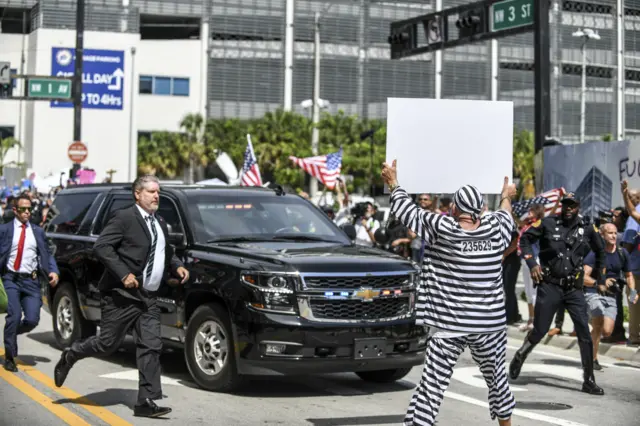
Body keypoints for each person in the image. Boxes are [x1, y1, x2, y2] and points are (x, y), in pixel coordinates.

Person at [382, 159, 517, 426]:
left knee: (431, 389)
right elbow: (505, 212)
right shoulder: (495, 228)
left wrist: (393, 182)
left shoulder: (443, 228)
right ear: (479, 209)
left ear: (454, 209)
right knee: (498, 380)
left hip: (448, 326)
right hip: (489, 325)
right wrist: (505, 195)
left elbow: (408, 212)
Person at [53, 175, 190, 418]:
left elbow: (164, 250)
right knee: (107, 344)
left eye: (157, 192)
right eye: (150, 191)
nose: (156, 196)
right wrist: (124, 274)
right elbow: (102, 246)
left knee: (150, 346)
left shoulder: (158, 220)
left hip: (148, 296)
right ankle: (71, 354)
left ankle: (146, 401)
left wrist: (177, 265)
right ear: (137, 194)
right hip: (121, 295)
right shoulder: (125, 217)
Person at [509, 192, 606, 395]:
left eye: (573, 204)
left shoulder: (587, 228)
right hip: (550, 285)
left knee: (584, 333)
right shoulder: (548, 223)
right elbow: (525, 240)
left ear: (579, 206)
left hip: (573, 289)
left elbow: (601, 251)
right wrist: (532, 262)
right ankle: (521, 354)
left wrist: (601, 278)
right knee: (540, 329)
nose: (569, 208)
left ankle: (588, 379)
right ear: (562, 205)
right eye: (566, 204)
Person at [1, 194, 60, 372]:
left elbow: (47, 253)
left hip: (31, 281)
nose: (27, 212)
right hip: (11, 279)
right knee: (14, 315)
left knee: (33, 319)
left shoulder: (38, 231)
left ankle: (10, 333)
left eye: (29, 209)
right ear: (15, 210)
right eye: (23, 209)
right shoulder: (4, 230)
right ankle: (10, 355)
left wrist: (53, 270)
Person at [582, 222, 638, 370]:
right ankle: (592, 359)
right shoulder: (595, 253)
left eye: (615, 233)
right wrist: (600, 283)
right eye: (609, 233)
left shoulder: (622, 253)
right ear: (602, 235)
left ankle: (590, 340)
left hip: (611, 296)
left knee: (606, 331)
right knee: (598, 319)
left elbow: (629, 275)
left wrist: (633, 292)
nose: (613, 236)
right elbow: (582, 277)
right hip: (593, 293)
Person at [517, 204, 546, 332]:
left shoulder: (540, 225)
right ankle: (530, 320)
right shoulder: (527, 224)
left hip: (534, 260)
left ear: (537, 213)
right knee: (528, 292)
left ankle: (536, 322)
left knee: (534, 292)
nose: (529, 213)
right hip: (524, 260)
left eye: (531, 211)